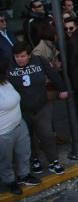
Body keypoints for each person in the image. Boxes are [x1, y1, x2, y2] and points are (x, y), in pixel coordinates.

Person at [8, 42, 68, 174]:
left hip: (41, 105)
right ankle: (34, 159)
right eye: (17, 56)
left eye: (23, 56)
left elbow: (52, 74)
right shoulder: (9, 66)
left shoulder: (39, 61)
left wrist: (62, 88)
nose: (20, 59)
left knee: (47, 134)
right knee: (27, 137)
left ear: (29, 55)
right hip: (21, 109)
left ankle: (53, 161)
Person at [0, 58, 41, 194]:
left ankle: (24, 175)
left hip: (19, 124)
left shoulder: (5, 82)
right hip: (3, 132)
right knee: (6, 159)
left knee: (24, 152)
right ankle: (10, 181)